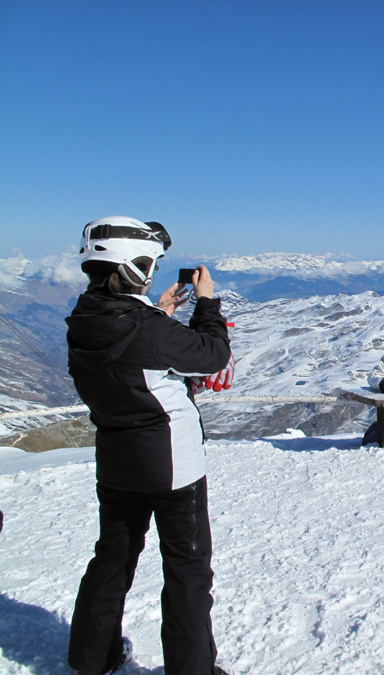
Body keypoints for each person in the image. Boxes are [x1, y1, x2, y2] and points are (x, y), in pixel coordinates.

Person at [66, 216, 232, 675]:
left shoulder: (83, 320)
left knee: (113, 558)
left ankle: (92, 658)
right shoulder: (145, 327)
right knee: (187, 568)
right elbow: (213, 352)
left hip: (117, 461)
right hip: (173, 466)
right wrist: (207, 302)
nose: (155, 272)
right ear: (135, 266)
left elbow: (129, 353)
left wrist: (156, 313)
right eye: (151, 264)